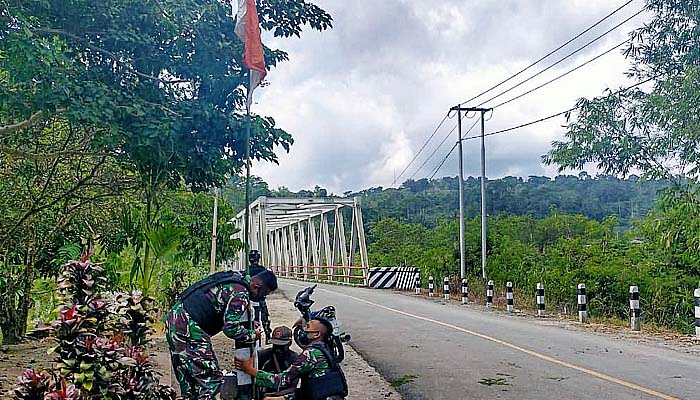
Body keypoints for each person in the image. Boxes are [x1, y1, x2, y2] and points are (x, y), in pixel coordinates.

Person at [164, 270, 278, 400]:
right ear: (256, 286)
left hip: (175, 320)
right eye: (263, 294)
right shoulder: (240, 293)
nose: (262, 298)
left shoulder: (235, 277)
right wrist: (253, 335)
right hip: (189, 328)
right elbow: (230, 328)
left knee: (188, 380)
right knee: (211, 380)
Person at [235, 317, 348, 400]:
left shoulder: (311, 354)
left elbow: (281, 380)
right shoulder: (326, 349)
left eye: (307, 327)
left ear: (316, 334)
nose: (303, 329)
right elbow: (308, 390)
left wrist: (250, 370)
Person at [256, 326, 299, 397]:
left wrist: (276, 396)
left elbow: (293, 387)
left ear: (289, 343)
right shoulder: (263, 355)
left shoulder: (294, 358)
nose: (278, 349)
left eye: (281, 346)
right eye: (275, 345)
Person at [248, 250, 272, 344]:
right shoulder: (263, 270)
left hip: (249, 299)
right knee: (265, 318)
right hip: (260, 298)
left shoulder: (247, 270)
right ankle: (267, 336)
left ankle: (253, 338)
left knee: (251, 319)